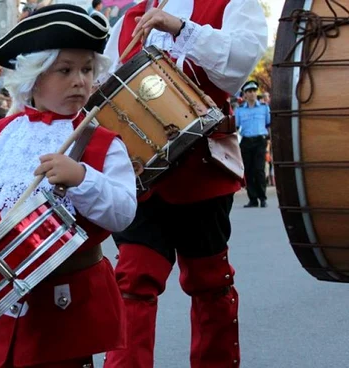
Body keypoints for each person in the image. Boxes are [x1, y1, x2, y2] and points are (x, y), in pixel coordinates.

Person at [0, 5, 137, 367]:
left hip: (71, 301)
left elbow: (124, 211)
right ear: (32, 78)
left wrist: (82, 178)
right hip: (8, 296)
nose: (80, 80)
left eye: (86, 69)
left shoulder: (103, 142)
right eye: (65, 70)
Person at [98, 1, 268, 367]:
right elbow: (102, 86)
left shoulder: (230, 3)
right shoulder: (128, 19)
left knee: (210, 283)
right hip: (140, 175)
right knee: (132, 281)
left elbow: (238, 66)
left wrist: (181, 28)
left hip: (201, 170)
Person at [236, 80, 271, 208]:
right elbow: (237, 126)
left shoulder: (264, 108)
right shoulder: (239, 110)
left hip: (259, 140)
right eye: (249, 91)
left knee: (259, 169)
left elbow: (268, 124)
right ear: (244, 94)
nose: (252, 94)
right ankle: (252, 199)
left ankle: (262, 198)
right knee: (249, 171)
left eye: (254, 91)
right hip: (246, 141)